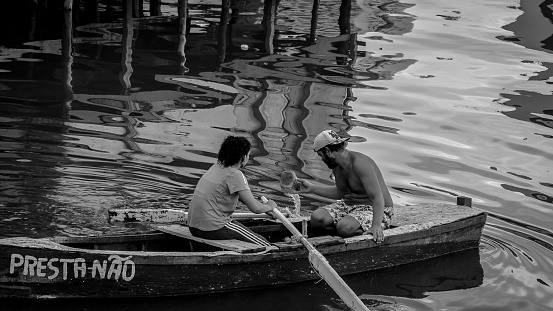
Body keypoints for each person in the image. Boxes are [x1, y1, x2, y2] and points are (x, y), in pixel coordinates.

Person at [295, 130, 394, 243]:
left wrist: (376, 226)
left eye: (321, 155)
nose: (321, 159)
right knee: (317, 218)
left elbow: (378, 197)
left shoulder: (360, 164)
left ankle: (350, 231)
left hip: (376, 208)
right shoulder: (336, 165)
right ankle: (342, 233)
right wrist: (311, 188)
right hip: (349, 205)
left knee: (344, 227)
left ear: (327, 151)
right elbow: (341, 193)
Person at [188, 135, 277, 246]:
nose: (248, 158)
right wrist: (271, 206)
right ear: (243, 157)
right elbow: (255, 208)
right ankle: (274, 251)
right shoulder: (235, 175)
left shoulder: (216, 166)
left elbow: (244, 198)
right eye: (248, 155)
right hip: (212, 228)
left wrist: (265, 209)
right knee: (263, 243)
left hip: (193, 226)